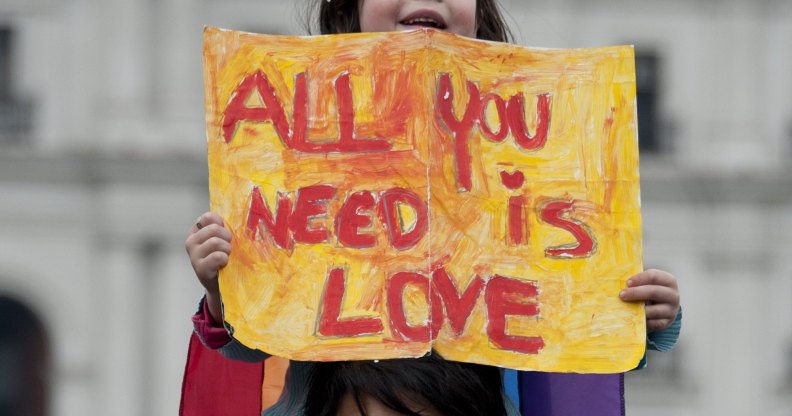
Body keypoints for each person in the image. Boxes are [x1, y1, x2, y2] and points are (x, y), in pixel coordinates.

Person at [186, 1, 682, 414]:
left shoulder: (527, 142)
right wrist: (220, 294)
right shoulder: (299, 138)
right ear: (347, 9)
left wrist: (648, 317)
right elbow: (250, 343)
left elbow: (571, 324)